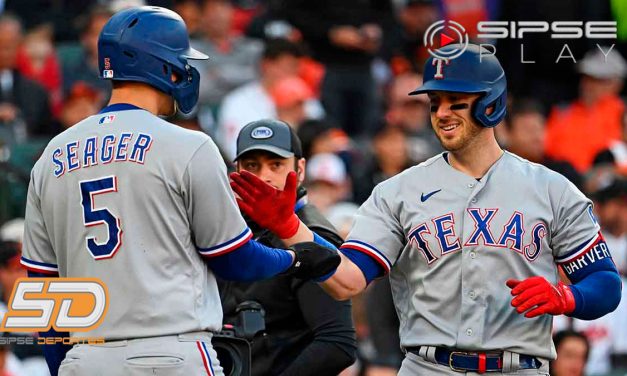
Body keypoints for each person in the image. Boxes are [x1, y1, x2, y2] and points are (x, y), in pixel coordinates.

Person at [230, 44, 623, 375]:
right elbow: (347, 281)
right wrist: (289, 226)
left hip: (519, 367)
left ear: (491, 104)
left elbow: (605, 284)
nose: (442, 113)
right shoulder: (398, 191)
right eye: (436, 102)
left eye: (457, 102)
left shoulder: (551, 189)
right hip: (428, 366)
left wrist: (567, 299)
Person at [20, 7, 339, 376]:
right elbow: (232, 258)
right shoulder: (189, 145)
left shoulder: (51, 157)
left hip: (85, 358)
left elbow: (45, 294)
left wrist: (67, 366)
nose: (184, 72)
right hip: (169, 352)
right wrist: (296, 259)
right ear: (161, 66)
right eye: (179, 63)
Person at [219, 119, 356, 376]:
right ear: (236, 171)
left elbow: (337, 343)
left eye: (276, 165)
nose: (264, 176)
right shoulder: (231, 227)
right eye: (251, 166)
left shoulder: (313, 236)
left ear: (300, 168)